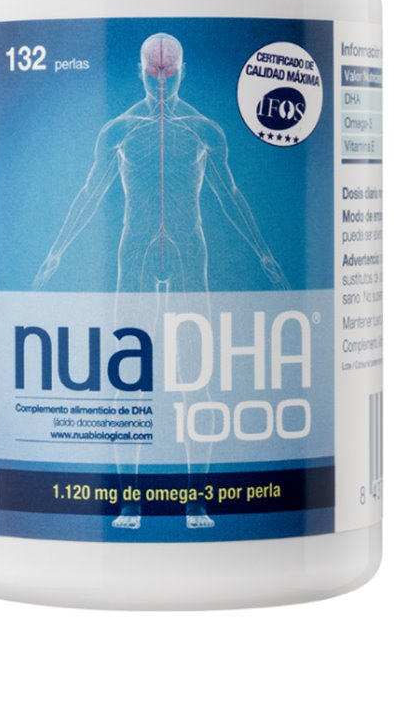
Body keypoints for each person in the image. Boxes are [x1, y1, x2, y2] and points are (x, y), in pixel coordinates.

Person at [33, 32, 287, 530]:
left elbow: (231, 195)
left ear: (183, 71)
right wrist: (56, 251)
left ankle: (197, 503)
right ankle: (130, 503)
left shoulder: (204, 130)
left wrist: (263, 253)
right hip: (135, 251)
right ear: (141, 72)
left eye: (169, 73)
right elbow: (88, 194)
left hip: (190, 250)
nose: (163, 83)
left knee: (198, 375)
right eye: (155, 74)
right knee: (126, 377)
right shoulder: (119, 131)